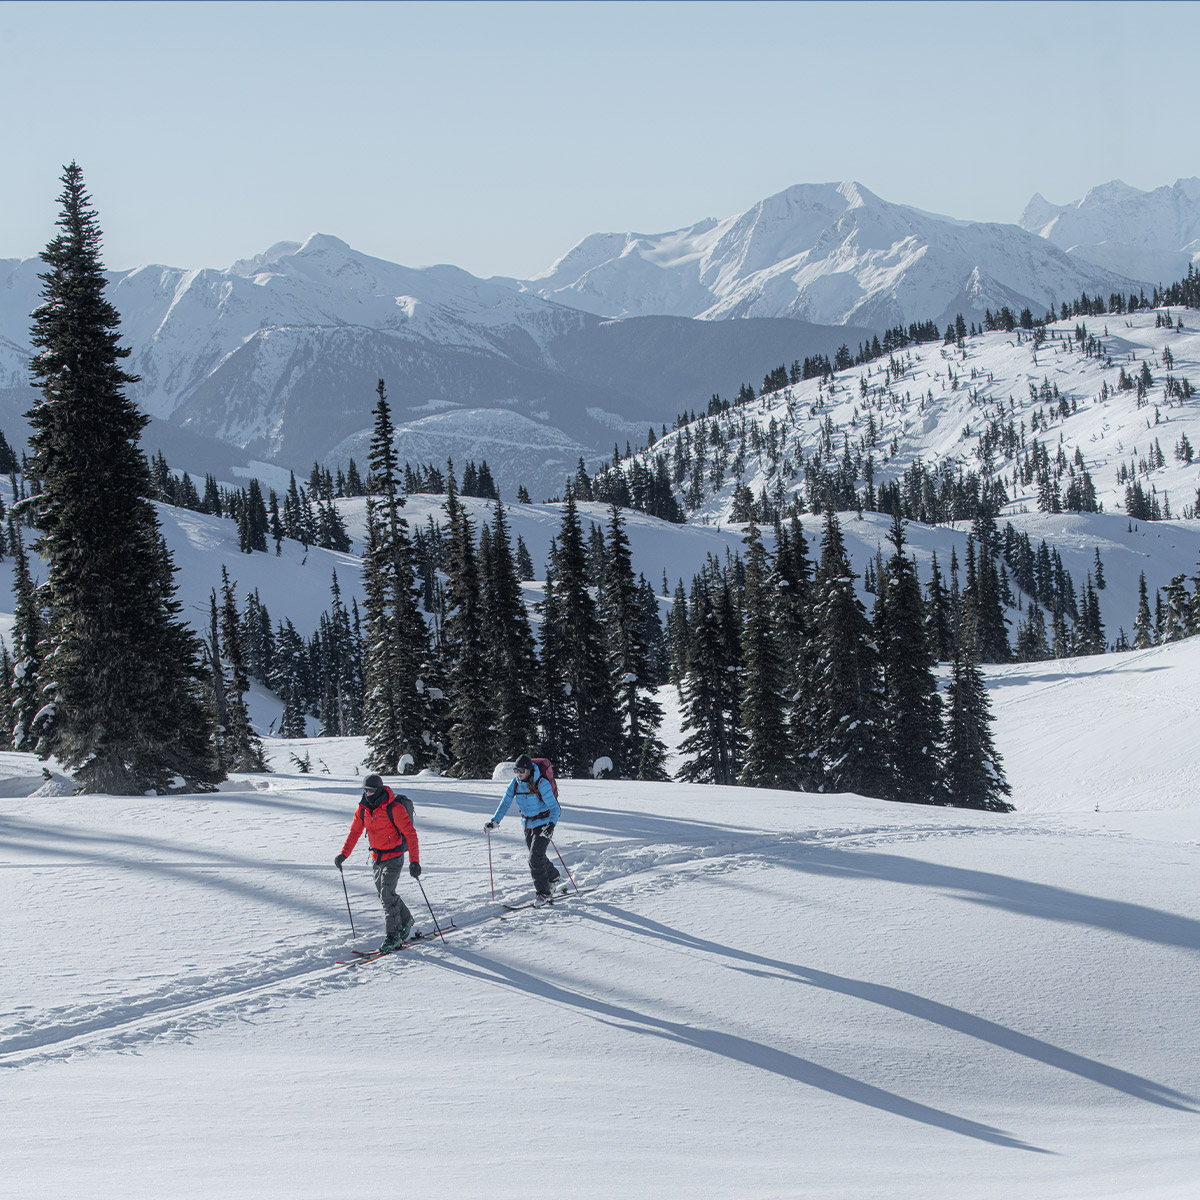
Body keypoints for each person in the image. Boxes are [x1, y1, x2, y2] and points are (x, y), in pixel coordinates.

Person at [335, 773, 422, 952]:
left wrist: (414, 861)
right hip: (377, 858)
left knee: (387, 894)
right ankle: (406, 920)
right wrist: (343, 854)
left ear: (379, 790)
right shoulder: (363, 809)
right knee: (385, 895)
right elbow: (354, 832)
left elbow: (411, 835)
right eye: (365, 790)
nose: (367, 794)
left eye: (371, 790)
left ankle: (393, 936)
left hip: (394, 857)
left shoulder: (394, 808)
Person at [486, 753, 562, 905]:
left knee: (534, 858)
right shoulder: (515, 784)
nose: (518, 774)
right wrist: (494, 821)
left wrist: (551, 824)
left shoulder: (541, 783)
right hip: (528, 825)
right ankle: (553, 876)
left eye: (521, 770)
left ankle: (543, 893)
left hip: (544, 823)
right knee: (537, 857)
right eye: (516, 771)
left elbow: (555, 808)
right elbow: (505, 802)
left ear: (529, 770)